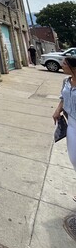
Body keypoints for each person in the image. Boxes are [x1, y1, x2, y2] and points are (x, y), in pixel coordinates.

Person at [53, 56, 76, 201]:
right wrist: (57, 111)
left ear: (73, 68)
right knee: (74, 158)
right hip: (72, 124)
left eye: (65, 63)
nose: (62, 65)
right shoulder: (66, 82)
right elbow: (63, 98)